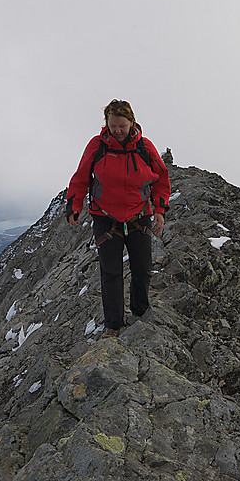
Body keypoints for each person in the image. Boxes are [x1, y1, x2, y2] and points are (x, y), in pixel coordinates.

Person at [66, 99, 171, 336]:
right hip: (105, 217)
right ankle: (113, 325)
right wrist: (74, 205)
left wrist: (160, 211)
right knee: (111, 273)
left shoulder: (145, 148)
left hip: (139, 215)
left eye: (122, 125)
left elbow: (162, 180)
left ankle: (140, 312)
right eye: (113, 126)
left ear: (132, 123)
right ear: (106, 124)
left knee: (142, 268)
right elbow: (81, 177)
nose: (118, 131)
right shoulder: (97, 146)